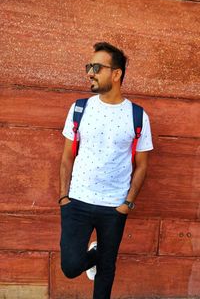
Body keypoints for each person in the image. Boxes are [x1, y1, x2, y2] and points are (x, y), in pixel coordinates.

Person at [59, 42, 153, 299]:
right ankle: (95, 253)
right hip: (77, 201)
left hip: (114, 206)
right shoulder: (80, 108)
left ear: (116, 73)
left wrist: (128, 203)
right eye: (89, 66)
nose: (90, 72)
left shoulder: (137, 116)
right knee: (70, 266)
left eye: (97, 67)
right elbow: (67, 156)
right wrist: (63, 198)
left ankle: (102, 256)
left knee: (107, 270)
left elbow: (142, 165)